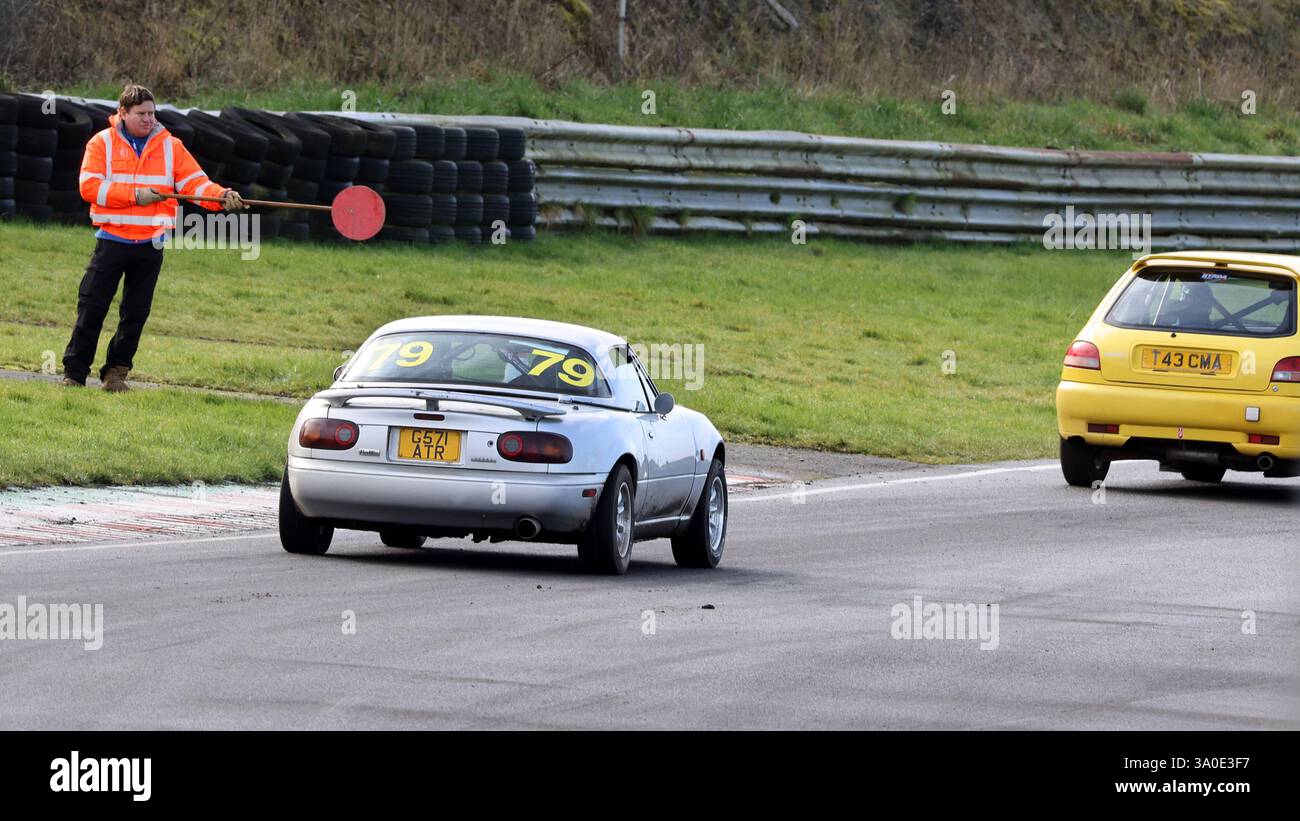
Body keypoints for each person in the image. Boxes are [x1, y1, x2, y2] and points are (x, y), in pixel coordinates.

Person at [62, 84, 245, 392]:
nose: (148, 119)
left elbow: (195, 184)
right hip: (112, 240)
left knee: (135, 313)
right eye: (141, 114)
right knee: (92, 307)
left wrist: (221, 196)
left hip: (151, 245)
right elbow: (89, 187)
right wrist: (136, 195)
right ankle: (74, 374)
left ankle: (115, 374)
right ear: (123, 113)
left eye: (151, 113)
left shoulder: (171, 146)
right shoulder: (102, 143)